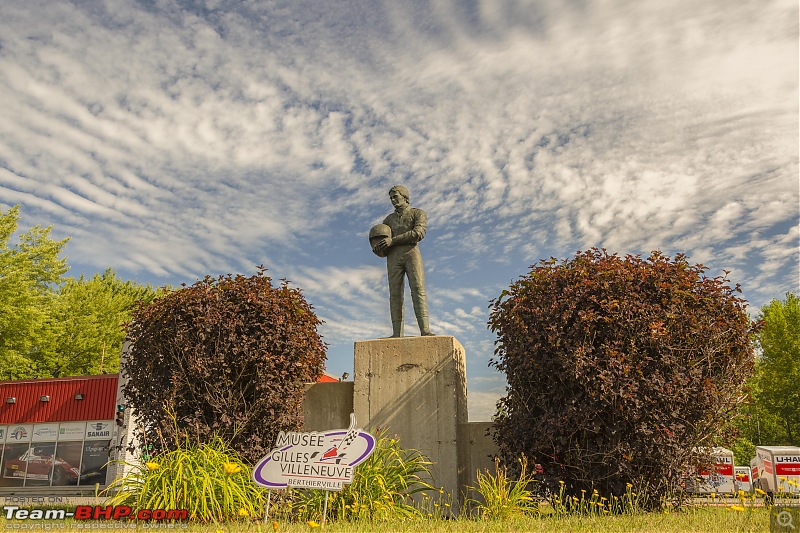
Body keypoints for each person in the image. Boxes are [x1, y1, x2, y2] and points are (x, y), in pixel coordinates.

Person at [370, 185, 433, 337]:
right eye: (391, 198)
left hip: (412, 254)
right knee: (395, 294)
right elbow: (384, 242)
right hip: (393, 257)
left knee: (418, 289)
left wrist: (393, 241)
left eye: (395, 196)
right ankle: (397, 333)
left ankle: (425, 330)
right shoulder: (388, 220)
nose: (393, 200)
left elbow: (418, 233)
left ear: (405, 196)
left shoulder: (417, 213)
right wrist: (378, 248)